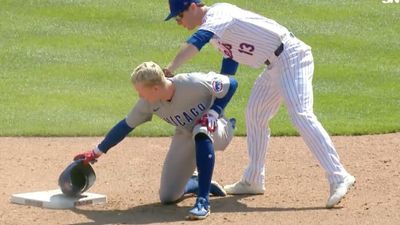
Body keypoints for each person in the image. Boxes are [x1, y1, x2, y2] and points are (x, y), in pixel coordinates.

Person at [163, 0, 355, 208]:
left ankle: (339, 176)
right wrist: (219, 101)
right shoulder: (215, 33)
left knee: (301, 114)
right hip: (274, 65)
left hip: (291, 56)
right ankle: (254, 178)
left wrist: (170, 69)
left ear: (193, 6)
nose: (178, 22)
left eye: (179, 16)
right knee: (255, 114)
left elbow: (198, 40)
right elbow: (230, 62)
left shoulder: (218, 13)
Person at [74, 61, 238, 220]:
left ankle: (203, 202)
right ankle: (195, 183)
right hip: (186, 135)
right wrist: (96, 152)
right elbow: (125, 126)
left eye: (141, 91)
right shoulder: (148, 103)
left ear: (155, 88)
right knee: (168, 196)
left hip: (217, 128)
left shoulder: (192, 82)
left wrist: (214, 113)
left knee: (200, 129)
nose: (139, 95)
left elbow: (232, 83)